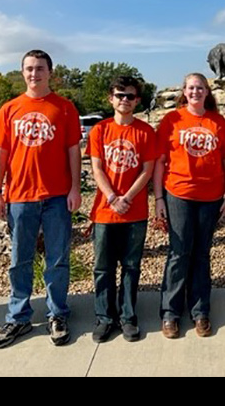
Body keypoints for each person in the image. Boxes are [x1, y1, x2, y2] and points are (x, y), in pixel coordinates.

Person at [0, 49, 82, 349]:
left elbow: (73, 151)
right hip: (20, 196)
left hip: (56, 196)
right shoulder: (10, 108)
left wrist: (75, 189)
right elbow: (0, 153)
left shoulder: (64, 108)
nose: (34, 74)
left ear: (50, 73)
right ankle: (18, 317)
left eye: (40, 68)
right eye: (29, 68)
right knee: (20, 260)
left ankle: (57, 313)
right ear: (23, 72)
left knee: (57, 259)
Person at [154, 73, 225, 339]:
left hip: (210, 196)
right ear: (184, 91)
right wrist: (158, 199)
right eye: (191, 88)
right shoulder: (172, 120)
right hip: (178, 193)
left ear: (207, 91)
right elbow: (160, 161)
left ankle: (200, 311)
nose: (195, 92)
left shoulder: (218, 122)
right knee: (179, 253)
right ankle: (170, 313)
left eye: (200, 87)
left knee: (201, 253)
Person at [86, 76, 156, 343]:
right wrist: (113, 197)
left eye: (130, 96)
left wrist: (126, 196)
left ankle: (128, 316)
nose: (124, 100)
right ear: (110, 98)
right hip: (105, 210)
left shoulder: (145, 132)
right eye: (119, 95)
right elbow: (97, 168)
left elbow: (147, 170)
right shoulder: (100, 130)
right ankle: (105, 317)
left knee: (131, 266)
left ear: (137, 100)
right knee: (103, 267)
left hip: (135, 210)